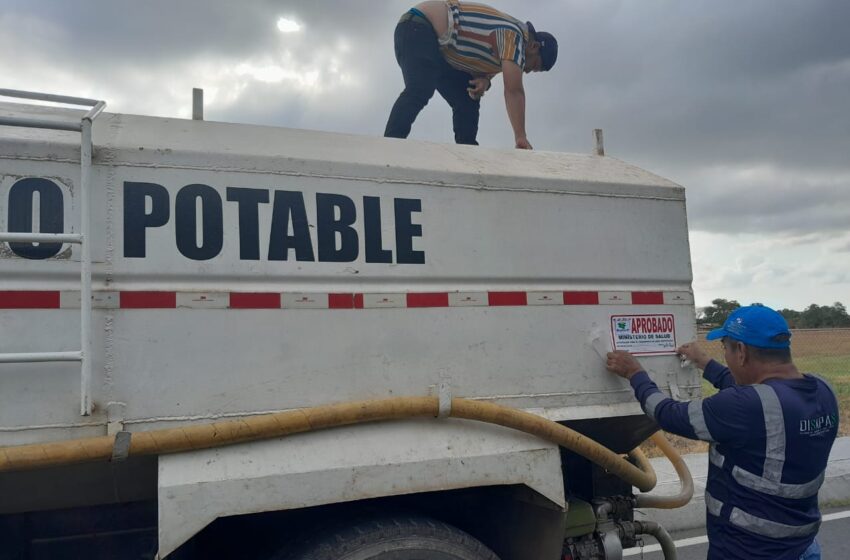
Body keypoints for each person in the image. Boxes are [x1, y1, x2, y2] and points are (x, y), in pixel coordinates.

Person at [605, 305, 838, 560]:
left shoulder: (745, 407)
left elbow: (667, 414)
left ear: (742, 352)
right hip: (803, 548)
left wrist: (634, 373)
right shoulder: (823, 390)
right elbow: (755, 395)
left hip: (748, 551)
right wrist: (704, 362)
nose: (725, 355)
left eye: (726, 347)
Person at [384, 0, 558, 148]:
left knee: (468, 95)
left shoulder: (506, 51)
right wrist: (520, 136)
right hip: (418, 25)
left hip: (440, 50)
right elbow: (513, 90)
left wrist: (484, 82)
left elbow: (484, 75)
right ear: (533, 47)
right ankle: (391, 147)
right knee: (421, 87)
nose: (526, 71)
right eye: (534, 65)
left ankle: (467, 154)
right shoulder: (514, 37)